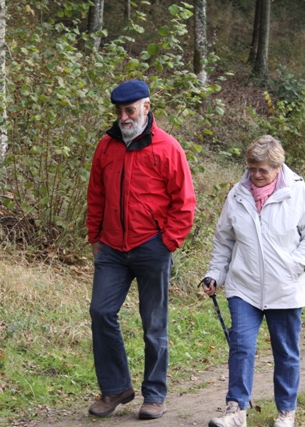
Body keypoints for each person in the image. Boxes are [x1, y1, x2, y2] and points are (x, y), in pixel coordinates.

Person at [86, 80, 196, 420]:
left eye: (129, 110)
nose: (123, 117)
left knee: (153, 325)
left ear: (146, 107)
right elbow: (96, 195)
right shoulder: (106, 146)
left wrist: (168, 242)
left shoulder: (167, 148)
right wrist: (96, 237)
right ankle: (116, 387)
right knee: (101, 312)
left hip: (152, 246)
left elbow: (184, 203)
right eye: (119, 111)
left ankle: (155, 395)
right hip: (112, 249)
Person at [202, 135, 305, 427]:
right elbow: (224, 240)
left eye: (263, 170)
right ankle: (236, 411)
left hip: (285, 288)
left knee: (285, 352)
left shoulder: (299, 193)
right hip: (243, 286)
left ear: (278, 167)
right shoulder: (237, 194)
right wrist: (215, 274)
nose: (255, 175)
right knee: (241, 346)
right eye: (251, 168)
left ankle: (286, 412)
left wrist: (295, 266)